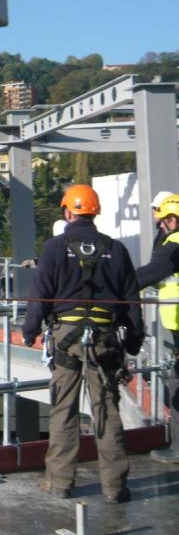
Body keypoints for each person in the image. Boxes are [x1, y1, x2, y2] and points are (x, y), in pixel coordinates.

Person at [23, 184, 143, 503]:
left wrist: (29, 330)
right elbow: (131, 301)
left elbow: (40, 295)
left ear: (67, 212)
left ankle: (60, 483)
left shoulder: (54, 247)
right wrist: (133, 341)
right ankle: (115, 487)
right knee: (106, 410)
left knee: (64, 410)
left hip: (67, 339)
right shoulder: (115, 250)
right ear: (95, 213)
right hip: (105, 341)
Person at [136, 192, 179, 464]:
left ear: (173, 219)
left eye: (162, 221)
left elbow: (149, 274)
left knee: (177, 386)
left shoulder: (174, 245)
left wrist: (113, 285)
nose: (160, 226)